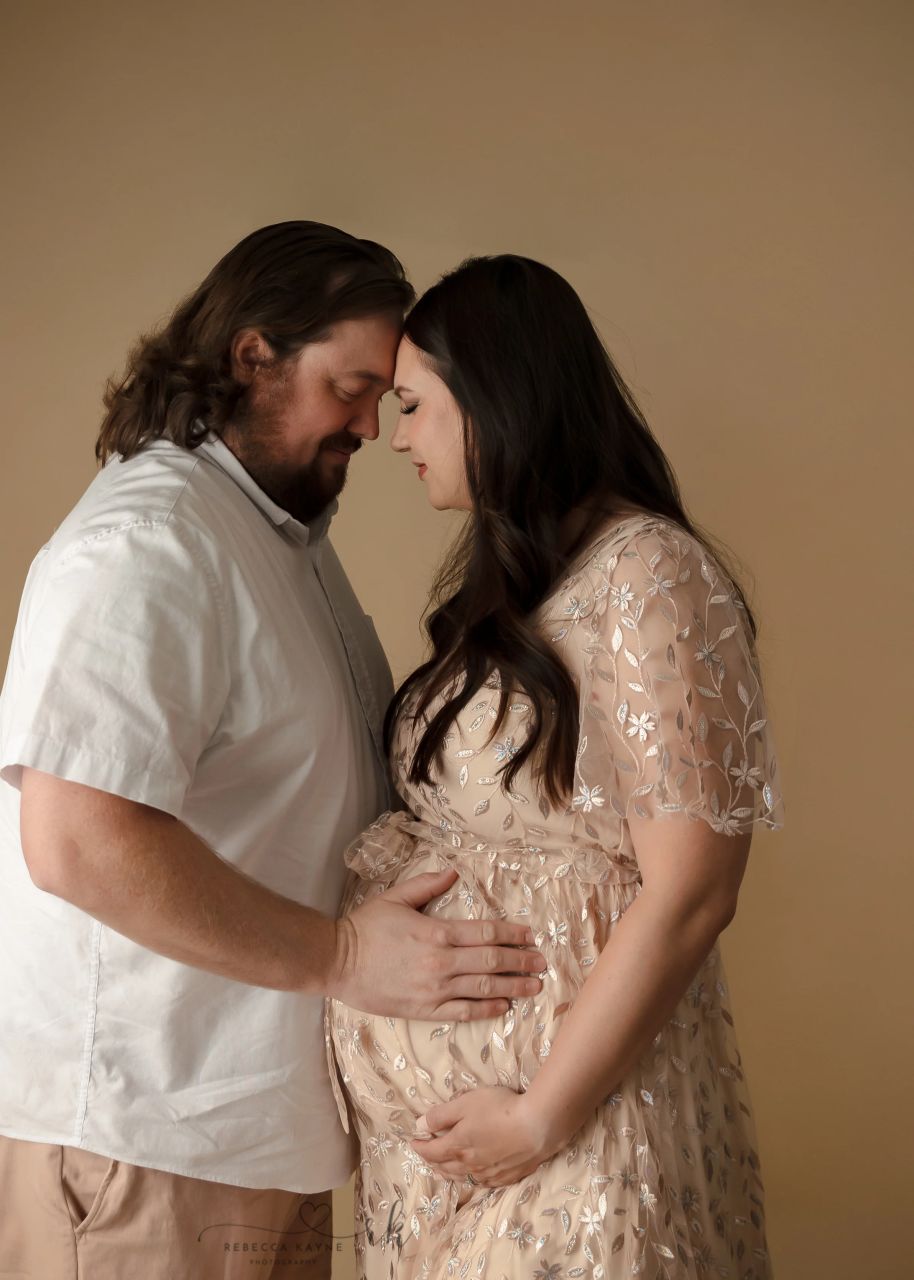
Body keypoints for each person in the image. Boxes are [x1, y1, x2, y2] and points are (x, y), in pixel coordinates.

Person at [0, 224, 547, 1280]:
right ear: (253, 357)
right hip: (141, 1140)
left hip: (253, 1129)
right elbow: (73, 837)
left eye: (385, 396)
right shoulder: (150, 542)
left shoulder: (276, 535)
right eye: (349, 386)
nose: (371, 425)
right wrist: (344, 958)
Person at [326, 254, 785, 1279]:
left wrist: (542, 1111)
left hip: (578, 1133)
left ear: (493, 397)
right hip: (450, 1165)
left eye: (413, 404)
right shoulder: (525, 586)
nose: (394, 436)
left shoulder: (649, 574)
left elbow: (693, 889)